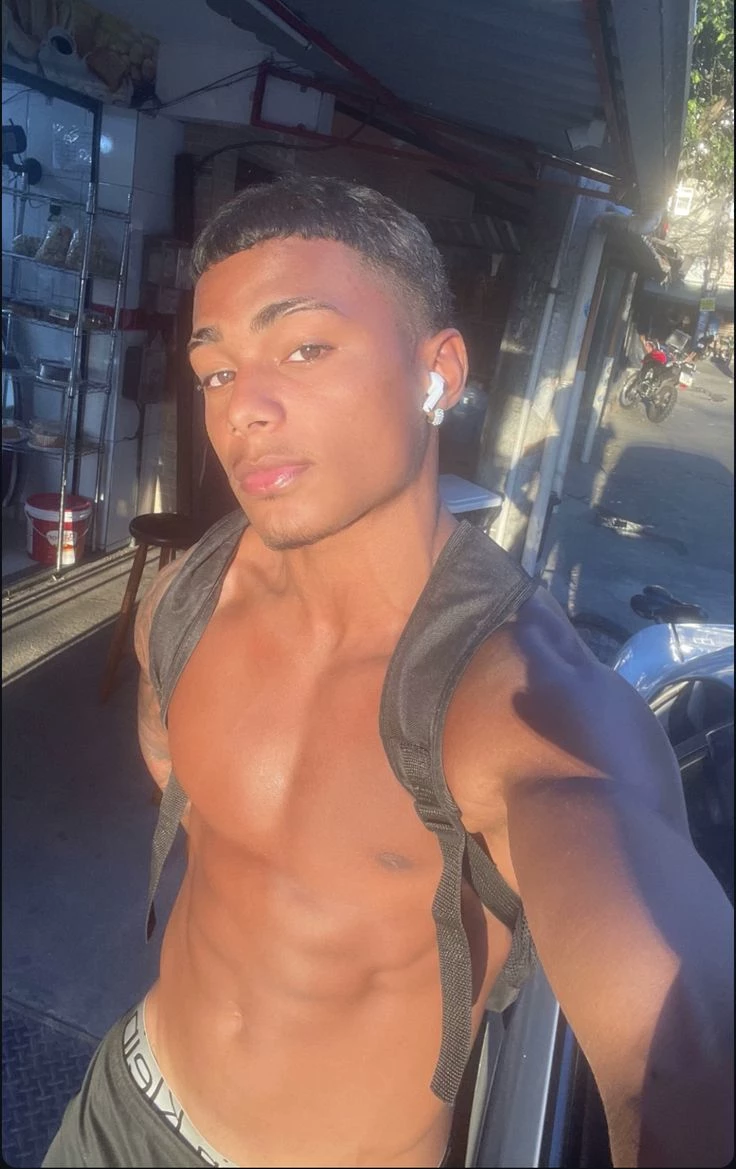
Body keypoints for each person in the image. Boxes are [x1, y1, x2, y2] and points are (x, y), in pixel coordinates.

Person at [43, 176, 733, 1169]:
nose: (244, 409)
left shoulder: (526, 710)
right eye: (216, 371)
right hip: (122, 1104)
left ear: (436, 372)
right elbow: (171, 758)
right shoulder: (189, 593)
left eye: (304, 348)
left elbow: (680, 1059)